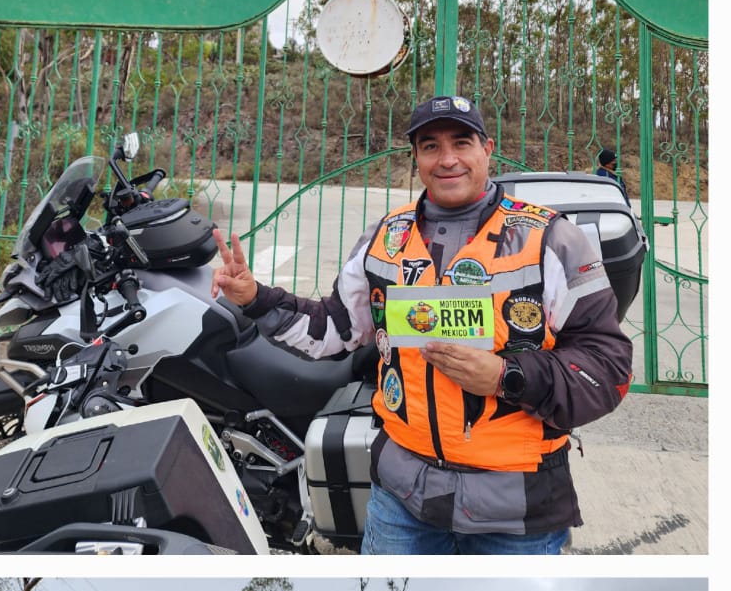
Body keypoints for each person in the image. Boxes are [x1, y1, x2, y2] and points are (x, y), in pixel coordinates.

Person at [211, 94, 633, 554]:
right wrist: (255, 299)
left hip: (516, 511)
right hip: (401, 503)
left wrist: (506, 376)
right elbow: (334, 328)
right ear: (416, 158)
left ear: (487, 149)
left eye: (461, 142)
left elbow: (607, 367)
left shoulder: (551, 239)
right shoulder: (384, 239)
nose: (447, 158)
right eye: (430, 146)